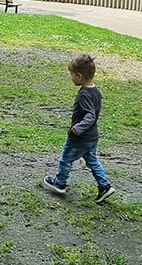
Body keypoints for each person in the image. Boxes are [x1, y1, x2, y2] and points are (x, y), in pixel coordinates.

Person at [43, 54, 115, 203]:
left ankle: (60, 183)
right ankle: (104, 186)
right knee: (92, 161)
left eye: (72, 75)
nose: (71, 78)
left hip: (79, 137)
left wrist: (78, 128)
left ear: (79, 76)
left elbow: (90, 116)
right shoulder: (96, 91)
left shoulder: (84, 94)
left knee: (66, 159)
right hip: (92, 137)